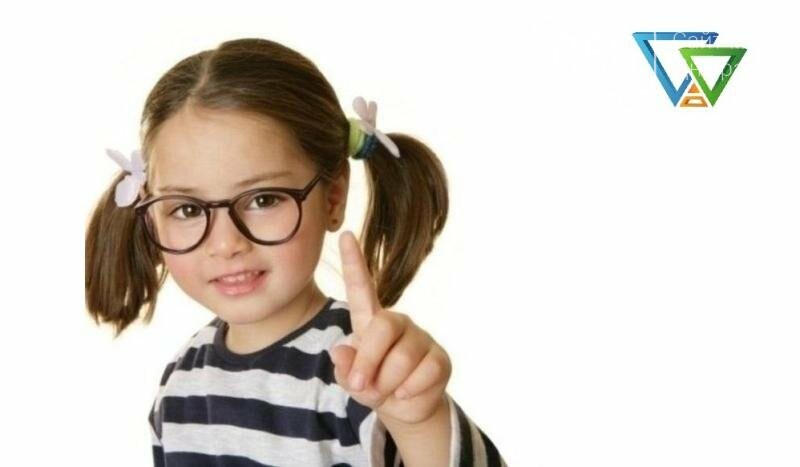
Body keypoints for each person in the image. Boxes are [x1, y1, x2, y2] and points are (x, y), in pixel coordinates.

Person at [85, 37, 506, 466]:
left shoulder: (367, 366)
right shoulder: (182, 382)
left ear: (333, 198)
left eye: (264, 199)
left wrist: (420, 423)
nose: (226, 244)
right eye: (188, 209)